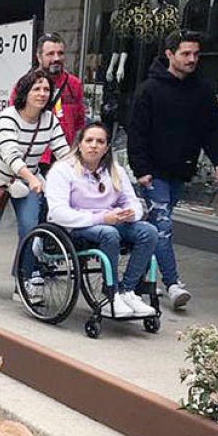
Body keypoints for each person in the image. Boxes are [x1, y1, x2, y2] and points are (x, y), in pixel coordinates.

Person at [128, 30, 218, 311]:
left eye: (196, 54)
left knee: (155, 228)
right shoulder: (149, 89)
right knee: (163, 228)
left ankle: (139, 280)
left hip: (180, 171)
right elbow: (137, 132)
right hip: (153, 172)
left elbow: (212, 128)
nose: (192, 59)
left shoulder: (202, 90)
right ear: (170, 54)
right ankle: (173, 284)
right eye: (185, 53)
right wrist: (142, 169)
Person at [0, 69, 71, 298]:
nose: (42, 94)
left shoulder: (49, 120)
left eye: (46, 90)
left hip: (25, 182)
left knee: (30, 228)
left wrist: (81, 172)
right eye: (36, 89)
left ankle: (23, 279)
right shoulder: (8, 116)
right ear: (25, 92)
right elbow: (10, 153)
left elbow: (63, 151)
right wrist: (32, 178)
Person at [45, 123, 158, 318]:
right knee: (109, 233)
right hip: (77, 226)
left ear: (106, 148)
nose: (94, 146)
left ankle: (127, 290)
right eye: (89, 140)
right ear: (79, 144)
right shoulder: (63, 170)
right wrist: (101, 218)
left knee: (148, 231)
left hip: (112, 220)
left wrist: (131, 213)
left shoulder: (114, 170)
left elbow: (132, 201)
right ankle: (110, 294)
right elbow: (58, 212)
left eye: (100, 142)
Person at [10, 32, 85, 170]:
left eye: (60, 53)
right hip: (33, 158)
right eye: (50, 54)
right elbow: (13, 120)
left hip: (64, 157)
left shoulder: (74, 84)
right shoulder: (24, 85)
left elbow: (80, 124)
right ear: (39, 57)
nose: (56, 58)